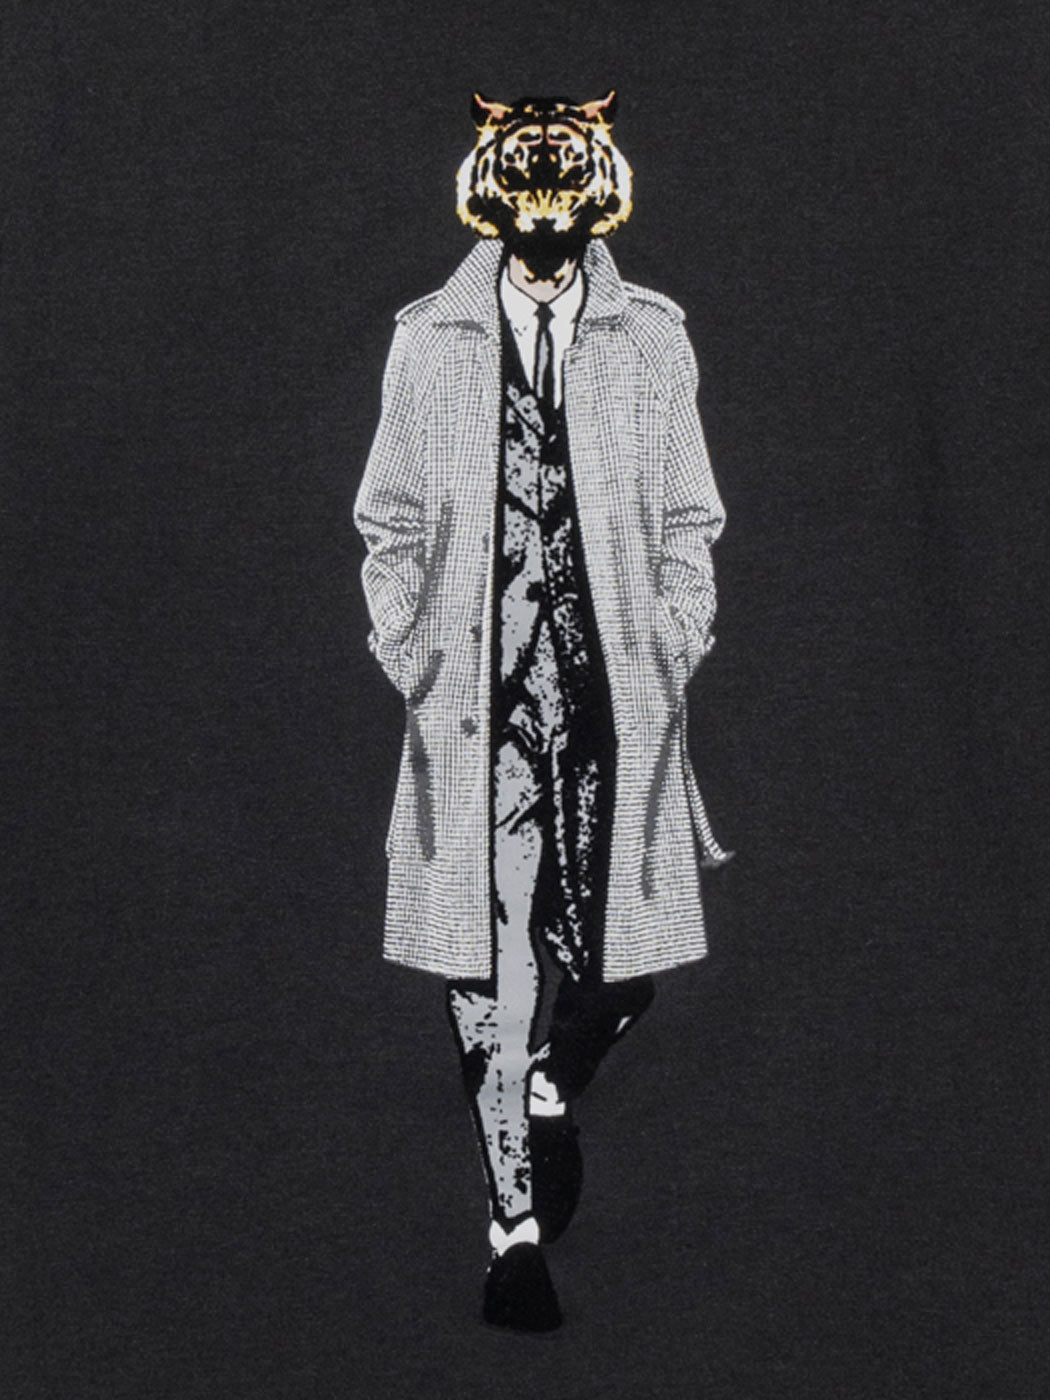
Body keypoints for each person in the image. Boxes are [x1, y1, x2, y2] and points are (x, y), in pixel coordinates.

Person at [354, 91, 728, 1331]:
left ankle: (557, 1073)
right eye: (525, 184)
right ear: (493, 193)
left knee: (625, 969)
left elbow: (691, 519)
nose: (547, 211)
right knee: (490, 965)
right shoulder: (429, 340)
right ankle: (511, 1232)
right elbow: (387, 518)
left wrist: (670, 643)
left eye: (567, 187)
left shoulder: (652, 339)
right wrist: (414, 654)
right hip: (476, 711)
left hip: (616, 700)